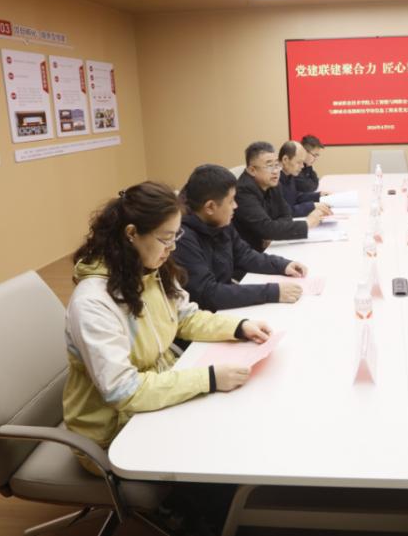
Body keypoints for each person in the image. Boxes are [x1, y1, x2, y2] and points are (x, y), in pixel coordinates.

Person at [63, 181, 272, 476]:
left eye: (176, 236)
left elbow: (184, 318)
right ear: (132, 234)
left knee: (239, 422)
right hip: (114, 431)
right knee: (223, 449)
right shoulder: (93, 303)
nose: (172, 248)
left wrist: (239, 327)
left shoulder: (151, 269)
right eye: (166, 239)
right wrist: (209, 379)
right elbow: (123, 391)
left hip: (155, 400)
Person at [175, 164, 309, 312]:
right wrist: (272, 292)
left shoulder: (220, 220)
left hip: (227, 304)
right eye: (231, 201)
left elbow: (244, 255)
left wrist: (282, 265)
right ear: (210, 207)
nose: (236, 206)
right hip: (208, 315)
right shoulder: (182, 239)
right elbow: (208, 294)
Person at [234, 141, 326, 252]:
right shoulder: (243, 191)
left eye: (277, 165)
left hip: (270, 246)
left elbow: (285, 213)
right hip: (250, 251)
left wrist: (271, 233)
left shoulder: (272, 182)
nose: (276, 171)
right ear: (252, 170)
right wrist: (307, 224)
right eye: (269, 166)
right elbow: (265, 227)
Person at [277, 141, 331, 218]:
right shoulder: (274, 180)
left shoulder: (289, 175)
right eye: (299, 162)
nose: (302, 166)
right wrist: (312, 206)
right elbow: (285, 212)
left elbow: (296, 197)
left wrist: (318, 196)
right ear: (285, 160)